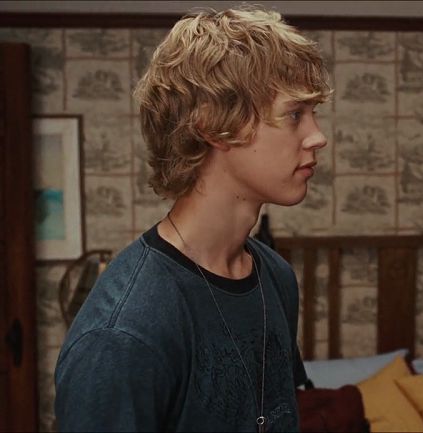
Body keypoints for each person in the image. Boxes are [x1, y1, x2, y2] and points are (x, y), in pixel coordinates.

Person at [55, 6, 329, 431]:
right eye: (295, 114)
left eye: (313, 113)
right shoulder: (122, 335)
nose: (318, 136)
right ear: (213, 126)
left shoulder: (275, 277)